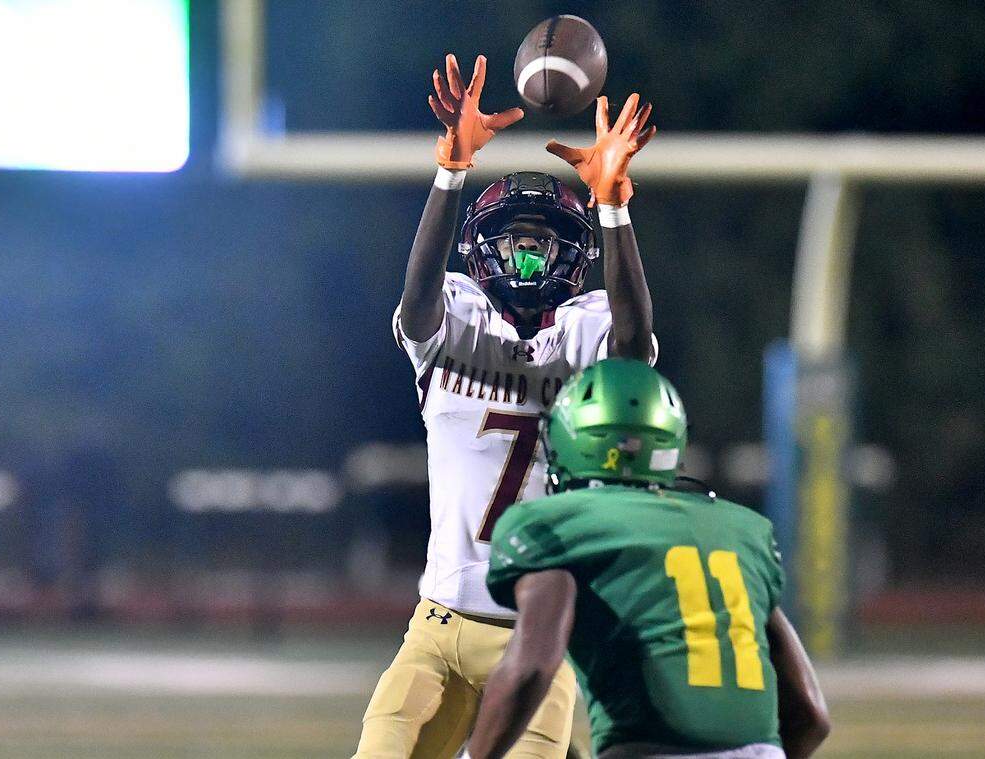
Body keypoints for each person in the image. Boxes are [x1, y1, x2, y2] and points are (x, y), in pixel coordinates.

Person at [353, 52, 658, 759]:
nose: (526, 256)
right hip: (435, 624)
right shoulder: (455, 317)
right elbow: (419, 296)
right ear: (480, 252)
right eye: (514, 241)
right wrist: (450, 169)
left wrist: (613, 208)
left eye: (542, 242)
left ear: (574, 255)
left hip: (535, 636)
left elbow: (635, 333)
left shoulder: (586, 330)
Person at [468, 359, 832, 759]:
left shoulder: (553, 524)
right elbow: (810, 714)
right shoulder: (743, 531)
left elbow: (531, 668)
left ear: (571, 440)